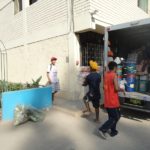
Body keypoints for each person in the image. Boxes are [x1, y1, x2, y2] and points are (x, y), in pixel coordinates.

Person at [98, 61, 125, 139]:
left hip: (107, 99)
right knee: (116, 116)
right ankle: (103, 129)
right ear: (115, 68)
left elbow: (104, 87)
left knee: (113, 116)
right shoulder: (114, 75)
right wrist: (122, 89)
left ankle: (113, 131)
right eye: (116, 68)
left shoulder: (106, 75)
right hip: (113, 100)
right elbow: (116, 88)